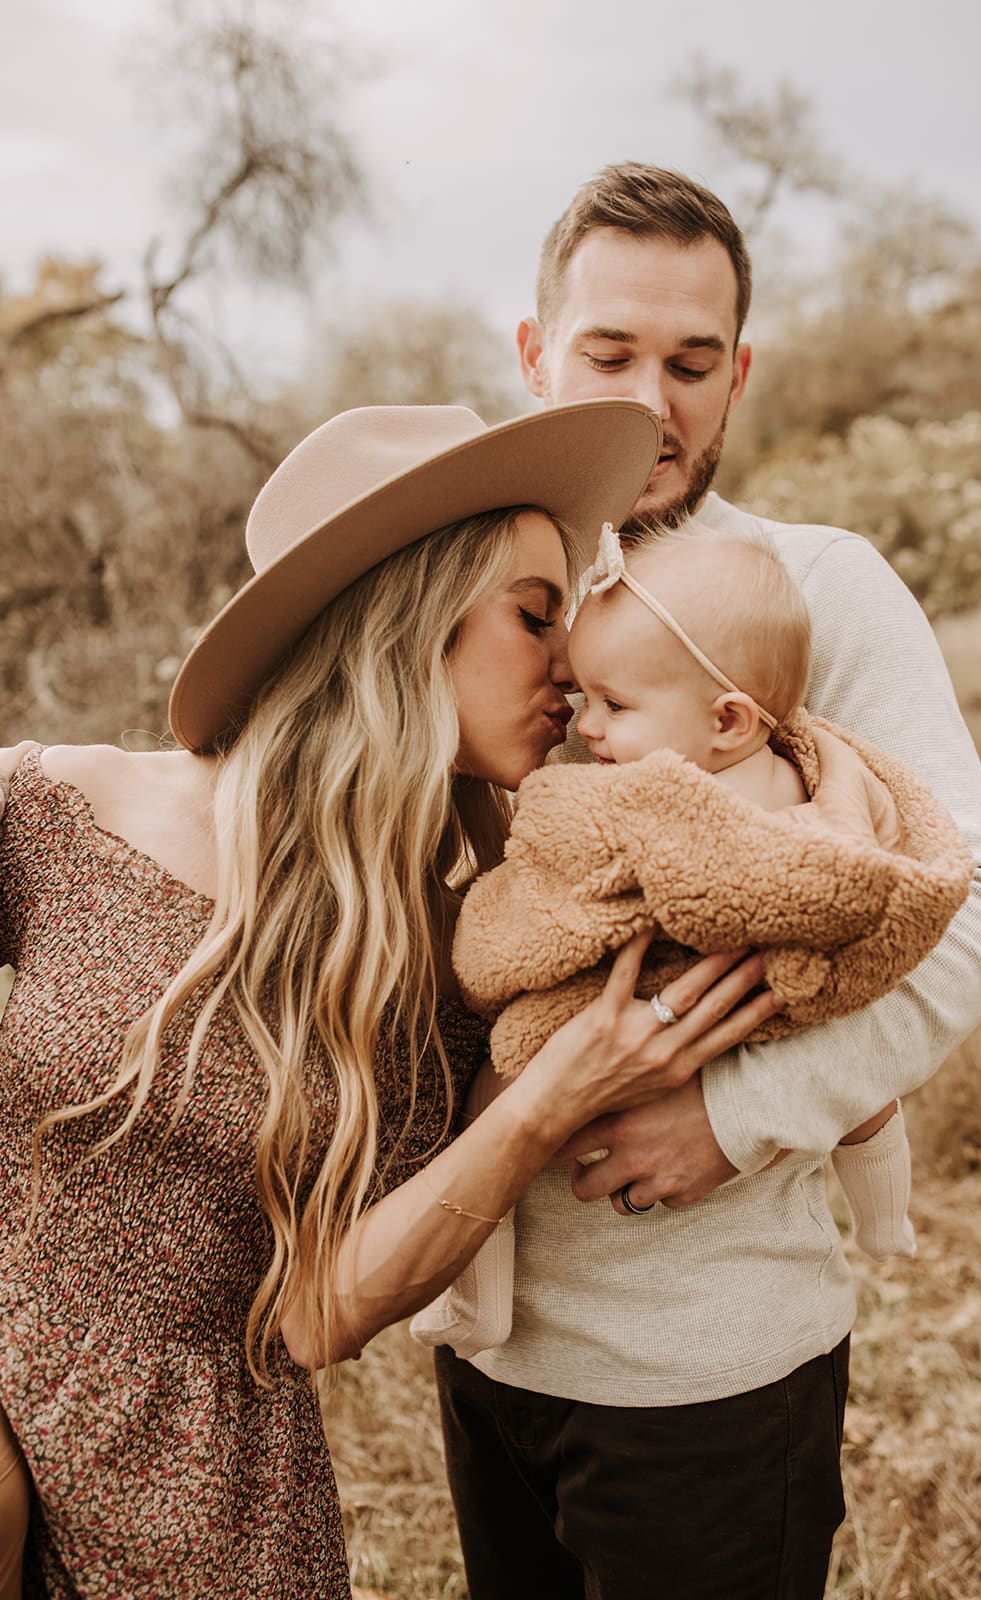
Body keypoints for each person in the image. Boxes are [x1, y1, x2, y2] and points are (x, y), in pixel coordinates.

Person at [0, 398, 784, 1597]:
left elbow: (316, 1318)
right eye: (532, 616)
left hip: (206, 1506)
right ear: (408, 615)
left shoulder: (455, 959)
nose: (568, 665)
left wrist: (539, 1105)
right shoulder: (58, 808)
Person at [432, 164, 981, 1599]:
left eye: (689, 363)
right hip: (484, 1328)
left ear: (738, 372)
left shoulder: (808, 590)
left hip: (705, 1364)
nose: (650, 399)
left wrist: (738, 1110)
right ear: (532, 355)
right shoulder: (470, 588)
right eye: (607, 354)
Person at [412, 522, 975, 1359]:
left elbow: (579, 887)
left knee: (494, 1097)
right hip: (780, 985)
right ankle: (886, 1217)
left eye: (612, 706)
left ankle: (475, 1300)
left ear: (726, 717)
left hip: (679, 1011)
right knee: (867, 1097)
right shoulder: (815, 767)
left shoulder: (658, 797)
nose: (584, 722)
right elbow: (862, 849)